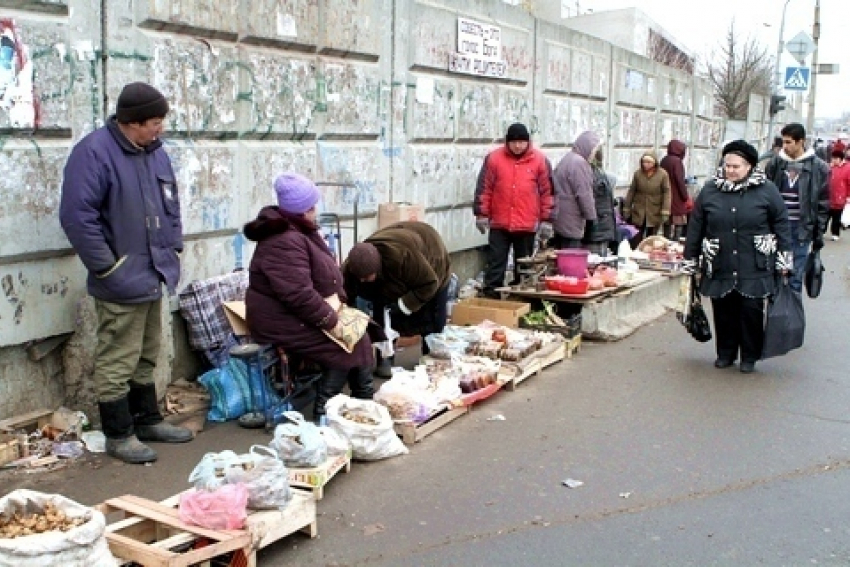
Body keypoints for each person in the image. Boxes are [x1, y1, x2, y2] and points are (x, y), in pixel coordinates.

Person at [59, 82, 193, 464]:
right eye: (154, 122)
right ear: (131, 123)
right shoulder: (94, 154)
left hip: (155, 272)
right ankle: (118, 433)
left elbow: (171, 206)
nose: (160, 129)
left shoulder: (155, 154)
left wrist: (174, 247)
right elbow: (77, 217)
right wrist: (107, 266)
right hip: (121, 277)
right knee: (118, 358)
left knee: (147, 354)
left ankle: (147, 420)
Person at [244, 173, 379, 421]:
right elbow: (297, 294)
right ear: (302, 210)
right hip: (280, 319)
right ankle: (324, 412)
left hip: (296, 313)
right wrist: (331, 320)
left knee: (360, 334)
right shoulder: (283, 240)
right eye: (312, 206)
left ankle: (364, 405)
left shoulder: (296, 231)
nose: (316, 211)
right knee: (344, 346)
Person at [683, 140, 792, 374]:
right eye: (727, 165)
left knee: (751, 311)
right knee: (723, 310)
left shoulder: (767, 190)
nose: (730, 170)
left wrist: (784, 257)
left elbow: (781, 222)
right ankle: (725, 353)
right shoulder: (711, 190)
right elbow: (696, 226)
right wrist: (690, 258)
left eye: (736, 167)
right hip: (720, 260)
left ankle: (750, 356)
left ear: (750, 166)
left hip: (754, 261)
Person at [342, 221, 452, 376]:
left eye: (367, 277)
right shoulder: (350, 268)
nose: (362, 281)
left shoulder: (402, 258)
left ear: (377, 268)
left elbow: (429, 283)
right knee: (382, 312)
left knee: (433, 315)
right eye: (359, 278)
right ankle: (385, 356)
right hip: (398, 257)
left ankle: (431, 358)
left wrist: (402, 305)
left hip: (431, 258)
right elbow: (344, 295)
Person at [474, 123, 554, 297]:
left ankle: (520, 298)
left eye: (521, 142)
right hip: (499, 222)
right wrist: (481, 213)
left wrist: (547, 220)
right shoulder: (494, 159)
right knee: (496, 263)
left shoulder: (540, 160)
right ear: (507, 142)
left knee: (524, 266)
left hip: (526, 224)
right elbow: (484, 188)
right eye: (514, 142)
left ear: (528, 142)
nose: (518, 146)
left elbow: (548, 192)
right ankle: (491, 297)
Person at [764, 122, 830, 292]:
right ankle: (776, 314)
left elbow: (823, 203)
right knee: (774, 274)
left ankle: (791, 315)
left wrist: (818, 233)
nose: (784, 146)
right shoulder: (775, 164)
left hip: (801, 228)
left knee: (795, 275)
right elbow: (765, 196)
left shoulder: (819, 167)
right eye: (783, 142)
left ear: (801, 141)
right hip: (776, 227)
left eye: (788, 142)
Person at [551, 130, 599, 250]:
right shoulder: (580, 164)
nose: (594, 155)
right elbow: (584, 194)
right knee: (571, 259)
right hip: (572, 219)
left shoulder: (567, 159)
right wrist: (591, 218)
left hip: (560, 218)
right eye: (594, 150)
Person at [623, 150, 671, 244]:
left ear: (654, 163)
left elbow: (667, 192)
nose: (646, 164)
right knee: (636, 237)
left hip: (654, 210)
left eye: (649, 162)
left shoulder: (663, 174)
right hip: (639, 210)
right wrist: (627, 208)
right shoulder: (638, 174)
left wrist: (665, 210)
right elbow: (632, 191)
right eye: (644, 162)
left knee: (651, 239)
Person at [581, 146, 616, 255]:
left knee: (595, 262)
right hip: (601, 224)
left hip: (597, 226)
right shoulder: (599, 173)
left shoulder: (592, 174)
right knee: (598, 261)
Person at [660, 139, 691, 241]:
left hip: (665, 195)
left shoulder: (664, 160)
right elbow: (679, 180)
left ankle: (666, 240)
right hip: (676, 195)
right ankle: (675, 241)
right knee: (679, 220)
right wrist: (685, 196)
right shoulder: (677, 162)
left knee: (667, 221)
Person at [826, 149, 850, 240]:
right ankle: (821, 231)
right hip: (829, 196)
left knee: (836, 217)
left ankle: (835, 234)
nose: (833, 160)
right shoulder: (830, 167)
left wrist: (848, 196)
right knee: (825, 216)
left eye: (835, 159)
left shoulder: (847, 168)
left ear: (840, 159)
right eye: (832, 158)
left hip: (840, 197)